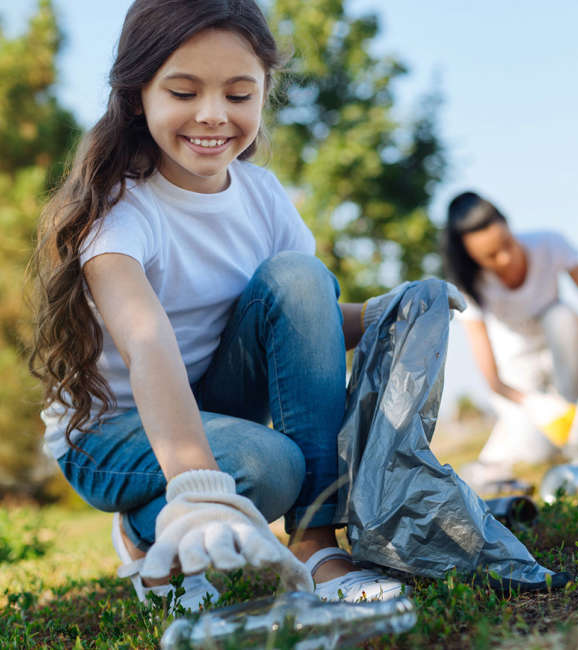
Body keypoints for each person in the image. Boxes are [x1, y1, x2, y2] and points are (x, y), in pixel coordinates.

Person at [29, 0, 406, 610]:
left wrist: (397, 311)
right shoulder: (120, 214)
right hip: (110, 434)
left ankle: (316, 545)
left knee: (300, 275)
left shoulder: (261, 195)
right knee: (271, 466)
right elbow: (147, 341)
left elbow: (309, 326)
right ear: (136, 96)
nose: (212, 115)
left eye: (238, 94)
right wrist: (200, 488)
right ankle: (148, 524)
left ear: (263, 93)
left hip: (210, 402)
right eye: (183, 91)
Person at [443, 191, 578, 486]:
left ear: (509, 225)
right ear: (471, 256)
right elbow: (493, 379)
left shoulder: (549, 243)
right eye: (490, 256)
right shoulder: (469, 285)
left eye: (506, 244)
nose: (504, 258)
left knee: (561, 316)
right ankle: (504, 455)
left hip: (567, 350)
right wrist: (535, 404)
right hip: (520, 373)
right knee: (535, 452)